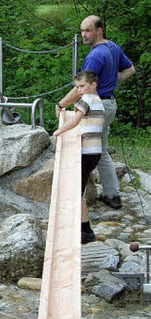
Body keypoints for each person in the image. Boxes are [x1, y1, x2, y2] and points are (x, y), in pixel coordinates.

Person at [55, 15, 135, 210]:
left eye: (88, 30)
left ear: (99, 30)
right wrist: (111, 83)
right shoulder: (112, 47)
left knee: (82, 152)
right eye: (82, 30)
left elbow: (79, 88)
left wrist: (61, 104)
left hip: (95, 108)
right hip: (107, 105)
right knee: (101, 150)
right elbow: (130, 69)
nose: (84, 35)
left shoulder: (95, 55)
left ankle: (76, 198)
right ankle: (113, 195)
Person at [54, 71, 105, 244]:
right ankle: (82, 227)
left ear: (93, 85)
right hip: (95, 152)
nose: (79, 90)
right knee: (78, 190)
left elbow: (75, 120)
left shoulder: (87, 100)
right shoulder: (100, 102)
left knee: (76, 192)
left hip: (86, 153)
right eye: (77, 87)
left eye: (82, 86)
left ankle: (86, 230)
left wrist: (58, 131)